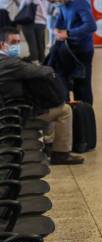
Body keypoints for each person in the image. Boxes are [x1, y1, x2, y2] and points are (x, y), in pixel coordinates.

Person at [0, 27, 83, 165]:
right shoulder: (10, 63)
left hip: (7, 109)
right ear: (2, 44)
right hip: (15, 113)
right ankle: (61, 154)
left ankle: (49, 144)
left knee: (46, 105)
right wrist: (49, 69)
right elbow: (43, 72)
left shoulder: (8, 61)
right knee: (64, 110)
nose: (17, 46)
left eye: (18, 42)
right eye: (13, 42)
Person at [43, 0, 97, 105]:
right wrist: (57, 27)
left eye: (53, 1)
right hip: (69, 49)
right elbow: (61, 17)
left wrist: (68, 33)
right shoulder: (63, 3)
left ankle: (86, 114)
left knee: (82, 86)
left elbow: (91, 26)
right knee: (66, 80)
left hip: (82, 50)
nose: (53, 5)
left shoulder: (80, 2)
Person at [19, 0, 47, 64]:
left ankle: (34, 62)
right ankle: (42, 60)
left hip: (29, 21)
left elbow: (22, 6)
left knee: (32, 43)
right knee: (41, 43)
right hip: (41, 22)